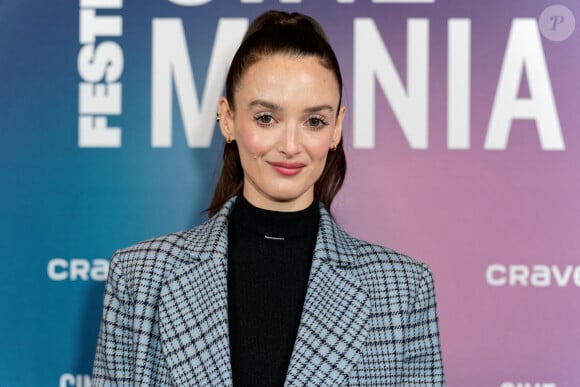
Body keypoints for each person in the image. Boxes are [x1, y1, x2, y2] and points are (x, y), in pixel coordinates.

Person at [92, 10, 444, 386]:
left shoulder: (402, 288)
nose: (290, 146)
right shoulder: (141, 277)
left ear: (337, 127)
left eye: (314, 121)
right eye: (266, 118)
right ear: (227, 118)